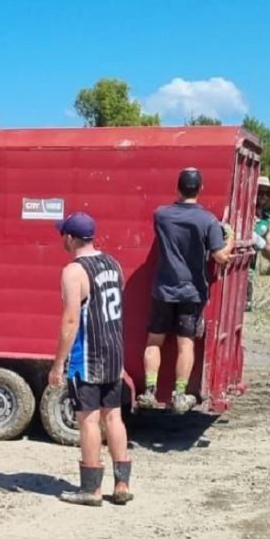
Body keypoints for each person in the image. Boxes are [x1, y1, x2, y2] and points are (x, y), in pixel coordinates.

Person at [48, 211, 132, 507]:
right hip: (115, 352)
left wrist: (58, 364)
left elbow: (71, 321)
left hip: (89, 357)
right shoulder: (113, 264)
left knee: (89, 421)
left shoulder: (73, 271)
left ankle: (91, 489)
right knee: (115, 418)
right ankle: (122, 485)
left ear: (70, 238)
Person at [137, 167, 234, 415]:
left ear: (177, 188)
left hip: (163, 290)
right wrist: (230, 236)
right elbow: (221, 257)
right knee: (185, 344)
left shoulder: (161, 215)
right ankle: (179, 393)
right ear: (201, 189)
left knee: (154, 341)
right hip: (191, 293)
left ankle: (149, 390)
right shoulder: (208, 221)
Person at [248, 177, 270, 310]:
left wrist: (259, 241)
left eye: (267, 193)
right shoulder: (239, 213)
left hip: (248, 273)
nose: (263, 196)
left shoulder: (268, 222)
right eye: (260, 191)